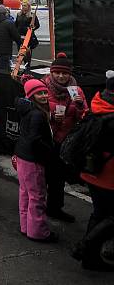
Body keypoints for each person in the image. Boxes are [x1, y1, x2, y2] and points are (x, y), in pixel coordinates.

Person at [72, 71, 114, 270]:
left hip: (91, 171)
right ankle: (86, 246)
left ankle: (90, 256)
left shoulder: (97, 105)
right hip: (108, 175)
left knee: (99, 213)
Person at [43, 52, 89, 222]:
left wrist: (78, 105)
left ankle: (55, 208)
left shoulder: (76, 90)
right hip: (47, 137)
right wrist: (52, 115)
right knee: (42, 176)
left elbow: (84, 116)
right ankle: (36, 207)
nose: (61, 76)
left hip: (65, 140)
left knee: (58, 177)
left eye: (65, 73)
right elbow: (35, 109)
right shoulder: (44, 86)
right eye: (58, 72)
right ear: (51, 72)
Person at [14, 79, 58, 242]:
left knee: (25, 192)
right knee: (37, 196)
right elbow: (36, 140)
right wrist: (49, 152)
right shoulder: (38, 114)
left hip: (22, 156)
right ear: (31, 95)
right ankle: (38, 232)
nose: (44, 95)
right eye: (39, 93)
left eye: (45, 92)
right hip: (33, 160)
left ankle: (26, 226)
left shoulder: (26, 109)